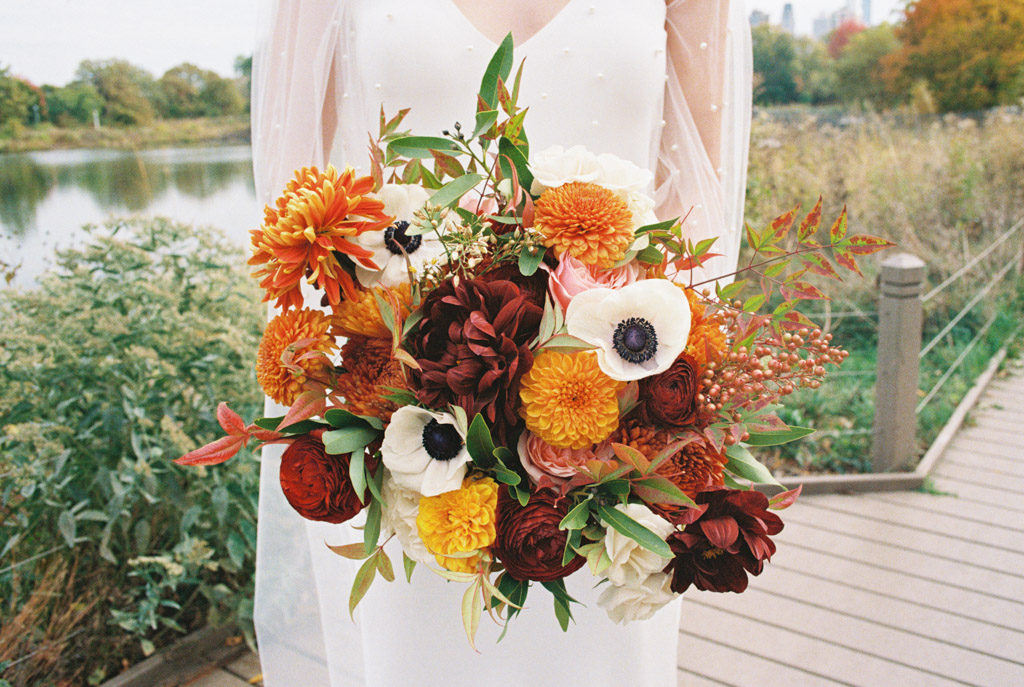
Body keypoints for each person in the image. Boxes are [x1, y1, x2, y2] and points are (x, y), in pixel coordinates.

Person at [250, 2, 751, 685]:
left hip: (615, 466)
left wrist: (673, 408)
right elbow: (291, 206)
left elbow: (698, 205)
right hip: (405, 444)